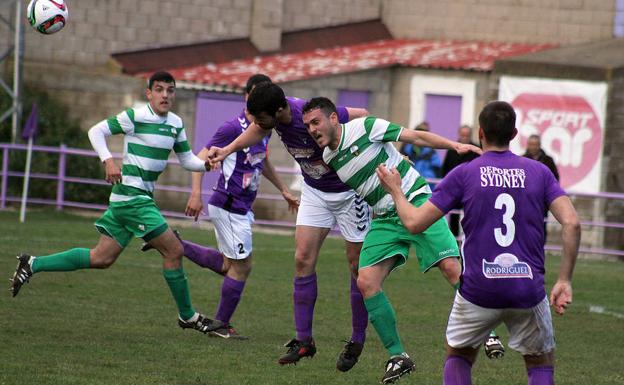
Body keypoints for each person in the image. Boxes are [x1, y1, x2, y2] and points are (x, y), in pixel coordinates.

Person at [376, 101, 580, 385]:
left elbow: (413, 223)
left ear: (481, 133)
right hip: (527, 289)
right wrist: (565, 280)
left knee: (459, 354)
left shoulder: (465, 173)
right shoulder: (539, 172)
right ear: (514, 133)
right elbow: (572, 222)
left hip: (479, 290)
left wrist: (397, 191)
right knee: (539, 361)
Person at [10, 71, 220, 334]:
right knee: (174, 251)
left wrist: (206, 164)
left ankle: (33, 263)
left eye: (170, 90)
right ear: (149, 93)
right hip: (133, 199)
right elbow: (96, 131)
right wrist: (108, 160)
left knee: (102, 258)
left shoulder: (176, 123)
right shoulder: (136, 116)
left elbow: (187, 159)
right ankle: (188, 316)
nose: (165, 95)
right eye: (159, 89)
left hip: (129, 200)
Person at [301, 97, 481, 384]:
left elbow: (415, 135)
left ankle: (490, 332)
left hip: (415, 200)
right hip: (384, 218)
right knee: (366, 281)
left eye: (316, 122)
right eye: (307, 125)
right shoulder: (328, 159)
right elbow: (368, 177)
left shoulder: (366, 127)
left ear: (333, 118)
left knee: (451, 269)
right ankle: (399, 356)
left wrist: (454, 145)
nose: (311, 129)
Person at [206, 82, 371, 371]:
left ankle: (357, 339)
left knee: (358, 267)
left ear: (279, 111)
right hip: (315, 193)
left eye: (261, 118)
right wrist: (228, 149)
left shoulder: (308, 113)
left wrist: (372, 154)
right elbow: (258, 130)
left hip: (349, 193)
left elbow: (363, 114)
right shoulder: (271, 119)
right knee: (302, 259)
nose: (257, 123)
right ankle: (304, 340)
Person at [144, 74, 299, 339]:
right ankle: (221, 325)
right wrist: (195, 194)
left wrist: (283, 189)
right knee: (242, 266)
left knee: (230, 265)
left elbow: (263, 160)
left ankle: (176, 245)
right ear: (247, 96)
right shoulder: (231, 128)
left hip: (241, 206)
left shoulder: (263, 125)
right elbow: (200, 158)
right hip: (228, 205)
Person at [441, 125, 480, 237]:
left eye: (467, 135)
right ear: (459, 134)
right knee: (453, 217)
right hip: (455, 190)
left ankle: (470, 238)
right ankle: (453, 242)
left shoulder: (476, 149)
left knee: (472, 215)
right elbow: (445, 169)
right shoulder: (451, 150)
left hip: (472, 191)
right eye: (463, 135)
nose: (464, 138)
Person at [524, 134, 560, 242]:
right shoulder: (522, 160)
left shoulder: (548, 160)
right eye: (531, 144)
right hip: (525, 200)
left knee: (541, 227)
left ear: (539, 145)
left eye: (535, 144)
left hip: (542, 201)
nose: (533, 147)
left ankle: (541, 248)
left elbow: (555, 179)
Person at [400, 121, 442, 187]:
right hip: (408, 184)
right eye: (419, 132)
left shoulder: (431, 151)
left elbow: (438, 169)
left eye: (424, 133)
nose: (421, 136)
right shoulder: (405, 149)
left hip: (427, 185)